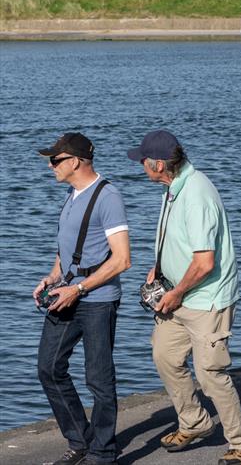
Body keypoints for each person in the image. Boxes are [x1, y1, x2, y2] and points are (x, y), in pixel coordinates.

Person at [127, 131, 241, 465]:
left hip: (206, 299)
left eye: (143, 160)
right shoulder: (174, 187)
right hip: (179, 293)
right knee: (165, 356)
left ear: (158, 164)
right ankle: (195, 422)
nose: (140, 165)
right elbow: (178, 238)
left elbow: (205, 262)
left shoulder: (196, 194)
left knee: (210, 372)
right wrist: (157, 268)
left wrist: (175, 292)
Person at [34, 132, 132, 465]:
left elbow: (122, 259)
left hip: (97, 300)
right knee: (48, 368)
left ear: (75, 161)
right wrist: (52, 277)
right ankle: (80, 440)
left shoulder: (108, 197)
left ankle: (104, 453)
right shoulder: (72, 195)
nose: (51, 166)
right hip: (67, 293)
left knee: (98, 378)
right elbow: (68, 250)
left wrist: (78, 288)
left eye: (56, 160)